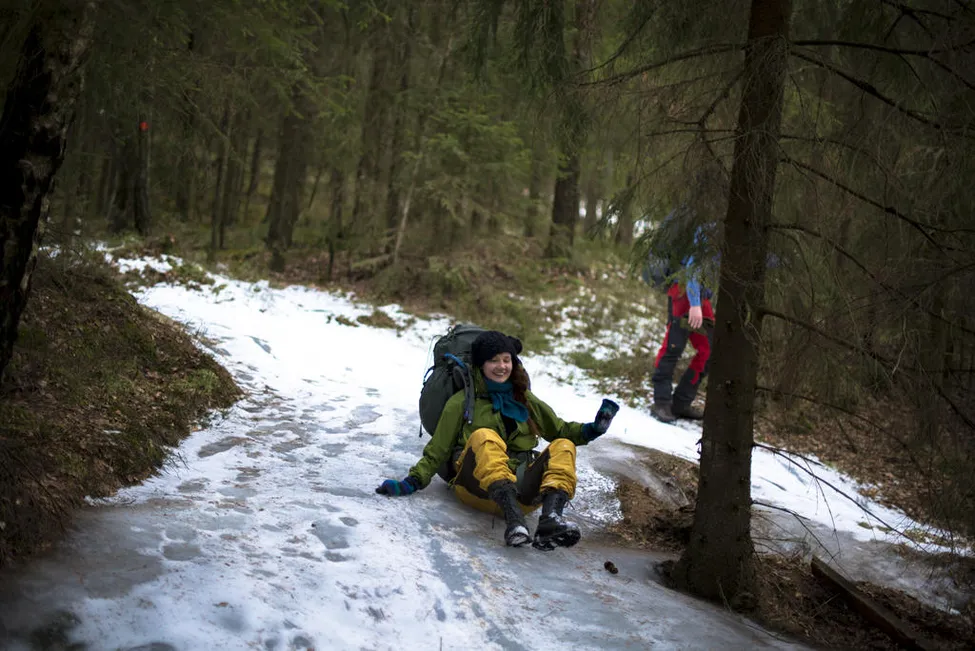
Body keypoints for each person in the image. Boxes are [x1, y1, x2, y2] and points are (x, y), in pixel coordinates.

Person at [376, 330, 619, 550]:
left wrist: (594, 429)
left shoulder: (524, 398)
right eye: (493, 360)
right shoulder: (461, 402)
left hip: (523, 493)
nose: (501, 366)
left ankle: (550, 519)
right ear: (481, 364)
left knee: (564, 445)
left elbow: (560, 430)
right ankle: (514, 522)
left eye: (506, 360)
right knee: (484, 436)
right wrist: (411, 482)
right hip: (476, 488)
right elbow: (437, 450)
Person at [650, 222, 716, 424]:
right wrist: (694, 304)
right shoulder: (709, 228)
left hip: (700, 296)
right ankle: (661, 402)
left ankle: (680, 403)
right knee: (673, 346)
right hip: (683, 290)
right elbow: (694, 268)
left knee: (709, 350)